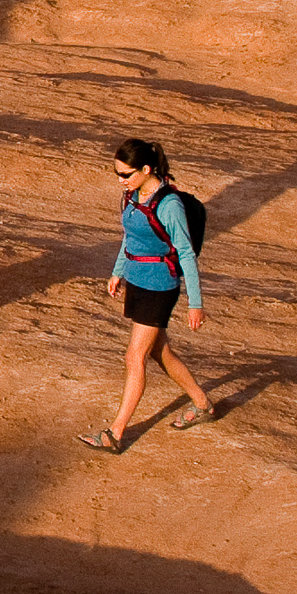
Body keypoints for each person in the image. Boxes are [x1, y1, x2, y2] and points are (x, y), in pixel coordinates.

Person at [84, 136, 215, 451]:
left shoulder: (169, 204)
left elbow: (185, 253)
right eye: (117, 173)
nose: (120, 180)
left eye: (126, 174)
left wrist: (195, 304)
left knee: (134, 357)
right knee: (160, 353)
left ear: (146, 169)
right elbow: (130, 238)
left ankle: (116, 433)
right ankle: (202, 404)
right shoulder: (132, 195)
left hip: (160, 287)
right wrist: (119, 271)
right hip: (138, 281)